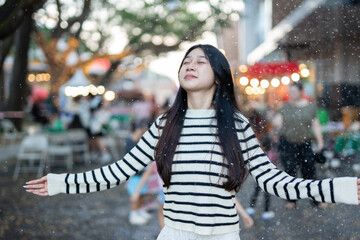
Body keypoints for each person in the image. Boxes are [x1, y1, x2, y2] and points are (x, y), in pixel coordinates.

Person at [24, 44, 360, 240]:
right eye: (186, 60)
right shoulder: (163, 125)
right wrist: (60, 182)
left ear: (218, 74)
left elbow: (276, 183)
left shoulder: (237, 126)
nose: (190, 64)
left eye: (201, 61)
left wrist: (340, 189)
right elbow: (116, 172)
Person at [272, 81, 327, 209]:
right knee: (290, 173)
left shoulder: (310, 107)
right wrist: (273, 116)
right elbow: (277, 122)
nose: (292, 94)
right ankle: (291, 200)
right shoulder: (285, 107)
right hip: (288, 144)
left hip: (305, 144)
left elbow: (316, 125)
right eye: (290, 91)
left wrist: (321, 142)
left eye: (294, 91)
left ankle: (315, 200)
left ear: (301, 92)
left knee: (310, 172)